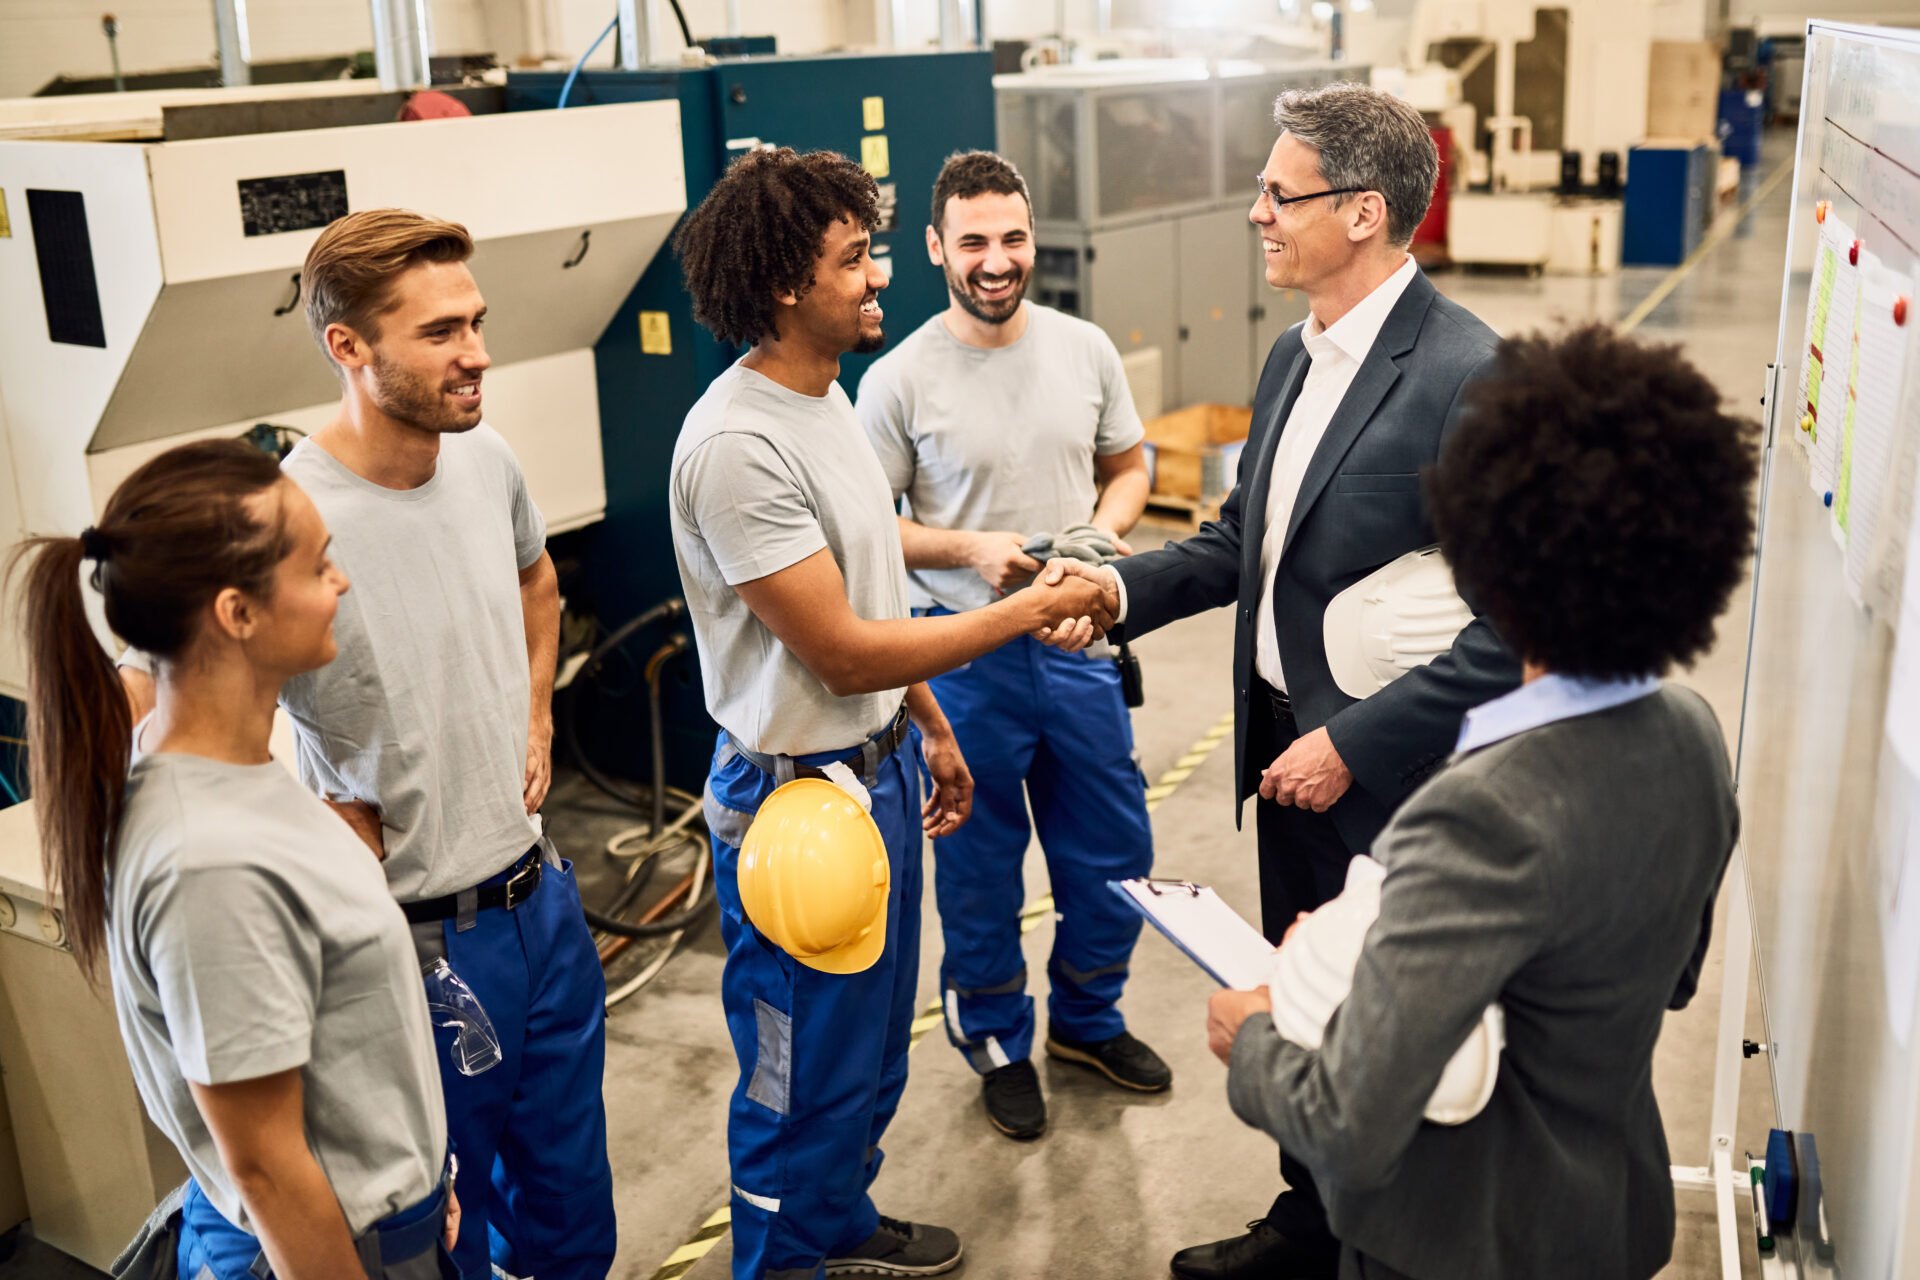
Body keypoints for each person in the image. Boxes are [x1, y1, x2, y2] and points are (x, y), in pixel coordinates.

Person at [1042, 81, 1522, 1278]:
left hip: (1392, 777)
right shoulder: (1290, 357)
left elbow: (1512, 628)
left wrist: (1354, 739)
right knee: (1298, 986)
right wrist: (1114, 595)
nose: (1255, 211)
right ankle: (1310, 1221)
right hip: (1278, 752)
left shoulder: (1470, 374)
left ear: (1364, 212)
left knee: (1392, 1020)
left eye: (1278, 191)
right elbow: (1240, 537)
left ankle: (1396, 1242)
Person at [1206, 323, 1756, 1280]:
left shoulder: (1479, 814)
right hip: (1614, 1220)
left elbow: (1349, 1123)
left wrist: (1250, 1031)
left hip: (1469, 1244)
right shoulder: (1693, 736)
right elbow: (1667, 981)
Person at [120, 209, 611, 1279]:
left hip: (541, 902)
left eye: (477, 322)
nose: (477, 353)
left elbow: (538, 581)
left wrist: (534, 712)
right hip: (420, 940)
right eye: (440, 333)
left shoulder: (488, 465)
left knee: (572, 1224)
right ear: (349, 347)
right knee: (444, 1243)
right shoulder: (290, 520)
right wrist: (300, 811)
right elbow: (166, 693)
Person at [669, 146, 1115, 1280]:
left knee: (866, 1057)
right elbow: (840, 643)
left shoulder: (828, 402)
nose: (878, 278)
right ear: (783, 284)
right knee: (792, 1072)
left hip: (871, 771)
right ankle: (781, 1259)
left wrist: (927, 719)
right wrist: (1028, 610)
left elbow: (869, 598)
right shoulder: (739, 444)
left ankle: (837, 1220)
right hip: (793, 804)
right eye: (854, 259)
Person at [10, 440, 458, 1279]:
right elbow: (265, 1166)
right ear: (236, 612)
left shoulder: (230, 766)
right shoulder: (207, 863)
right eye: (318, 565)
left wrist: (422, 1173)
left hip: (386, 1222)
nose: (342, 583)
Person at [856, 150, 1166, 1143]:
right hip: (962, 659)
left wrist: (1107, 532)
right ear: (938, 248)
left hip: (1076, 642)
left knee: (1115, 851)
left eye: (1014, 238)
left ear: (1034, 241)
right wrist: (966, 546)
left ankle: (1087, 1019)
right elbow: (870, 528)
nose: (998, 261)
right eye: (976, 241)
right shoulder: (899, 378)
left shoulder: (1086, 350)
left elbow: (1129, 465)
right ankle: (995, 1039)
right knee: (982, 870)